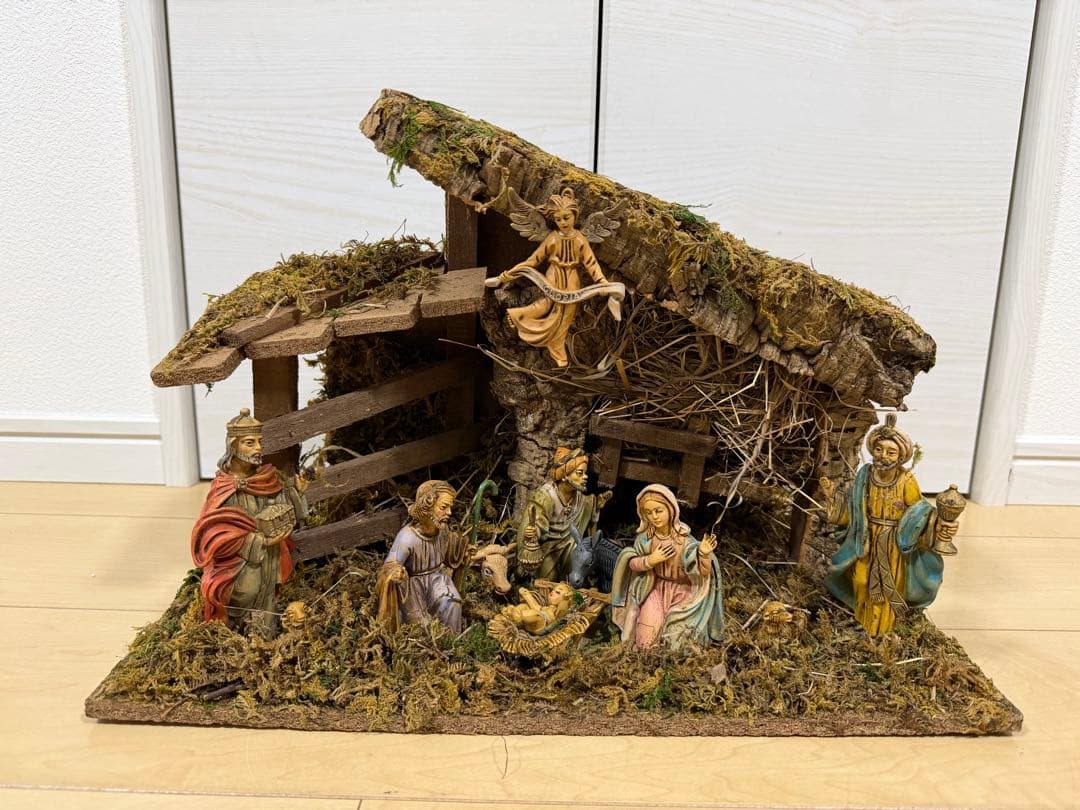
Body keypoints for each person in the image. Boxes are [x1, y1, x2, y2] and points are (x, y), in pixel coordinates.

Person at [821, 414, 958, 636]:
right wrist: (834, 499)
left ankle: (882, 629)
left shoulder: (906, 481)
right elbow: (853, 506)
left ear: (900, 456)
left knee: (889, 584)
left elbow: (920, 512)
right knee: (861, 579)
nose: (883, 456)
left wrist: (938, 524)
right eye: (878, 449)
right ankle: (863, 619)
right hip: (866, 538)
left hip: (893, 543)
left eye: (890, 452)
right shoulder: (865, 475)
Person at [190, 408, 308, 636]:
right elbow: (214, 532)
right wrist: (255, 541)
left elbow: (282, 507)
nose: (258, 448)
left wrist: (297, 493)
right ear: (233, 446)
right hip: (241, 560)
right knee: (246, 591)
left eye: (259, 442)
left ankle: (265, 636)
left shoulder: (266, 477)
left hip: (270, 557)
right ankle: (234, 637)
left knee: (266, 596)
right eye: (249, 443)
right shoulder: (224, 487)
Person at [498, 187, 614, 367]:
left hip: (572, 277)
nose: (563, 222)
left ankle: (557, 347)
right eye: (558, 219)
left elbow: (591, 262)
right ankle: (518, 315)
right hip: (553, 274)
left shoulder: (580, 239)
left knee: (567, 314)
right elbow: (534, 260)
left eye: (566, 217)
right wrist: (511, 273)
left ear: (575, 215)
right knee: (548, 303)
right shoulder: (552, 238)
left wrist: (601, 281)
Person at [610, 484, 724, 651]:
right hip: (655, 589)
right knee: (644, 641)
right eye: (648, 512)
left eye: (658, 510)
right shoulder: (645, 539)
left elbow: (703, 573)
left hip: (683, 592)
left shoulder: (685, 541)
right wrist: (651, 560)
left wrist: (703, 554)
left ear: (671, 510)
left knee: (677, 646)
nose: (654, 517)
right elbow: (632, 563)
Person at [376, 480, 468, 633]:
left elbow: (450, 552)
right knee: (421, 626)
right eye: (444, 507)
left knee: (452, 604)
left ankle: (451, 641)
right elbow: (391, 564)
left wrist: (464, 551)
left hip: (438, 579)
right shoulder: (407, 537)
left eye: (450, 507)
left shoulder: (442, 531)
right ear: (427, 507)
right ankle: (427, 644)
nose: (449, 513)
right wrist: (396, 571)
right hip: (415, 587)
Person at [515, 447, 611, 582]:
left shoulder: (580, 497)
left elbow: (588, 505)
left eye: (585, 473)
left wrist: (596, 504)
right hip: (548, 545)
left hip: (570, 543)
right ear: (565, 475)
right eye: (580, 473)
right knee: (548, 576)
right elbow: (537, 521)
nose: (585, 477)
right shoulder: (547, 496)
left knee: (577, 562)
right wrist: (533, 532)